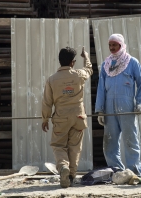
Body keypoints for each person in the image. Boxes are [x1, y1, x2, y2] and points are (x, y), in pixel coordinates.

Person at [95, 33, 141, 177]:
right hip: (109, 108)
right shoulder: (106, 65)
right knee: (110, 142)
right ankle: (116, 171)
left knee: (130, 140)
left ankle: (134, 171)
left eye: (115, 45)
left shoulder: (132, 62)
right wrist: (100, 110)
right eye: (110, 45)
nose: (112, 48)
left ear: (121, 45)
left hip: (127, 107)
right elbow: (100, 88)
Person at [42, 46, 93, 188]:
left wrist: (45, 119)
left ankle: (63, 166)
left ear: (60, 61)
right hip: (79, 118)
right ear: (73, 62)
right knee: (75, 147)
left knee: (58, 145)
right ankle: (71, 176)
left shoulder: (51, 80)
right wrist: (86, 57)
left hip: (61, 118)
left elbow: (47, 102)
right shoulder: (79, 74)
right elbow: (89, 69)